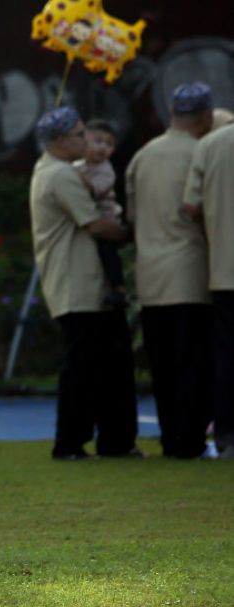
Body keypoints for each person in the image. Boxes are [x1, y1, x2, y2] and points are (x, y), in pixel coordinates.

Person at [29, 105, 141, 461]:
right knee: (87, 369)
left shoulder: (50, 168)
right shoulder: (60, 174)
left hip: (80, 285)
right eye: (79, 134)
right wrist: (132, 232)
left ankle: (110, 442)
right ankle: (73, 444)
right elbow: (95, 224)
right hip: (79, 286)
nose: (86, 139)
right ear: (61, 140)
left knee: (103, 366)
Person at [125, 82, 215, 459]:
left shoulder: (142, 157)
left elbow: (131, 217)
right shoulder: (203, 151)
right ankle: (191, 440)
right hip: (191, 273)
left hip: (150, 276)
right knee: (195, 363)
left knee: (162, 366)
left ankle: (170, 437)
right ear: (206, 116)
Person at [182, 90, 234, 460]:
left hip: (225, 268)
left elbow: (190, 206)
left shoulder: (210, 145)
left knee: (228, 354)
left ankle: (228, 436)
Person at [73, 119, 128, 308]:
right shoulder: (78, 165)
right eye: (98, 141)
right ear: (83, 141)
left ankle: (119, 288)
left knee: (108, 251)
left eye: (109, 144)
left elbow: (95, 190)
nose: (103, 147)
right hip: (90, 217)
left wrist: (74, 176)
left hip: (107, 218)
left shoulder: (106, 170)